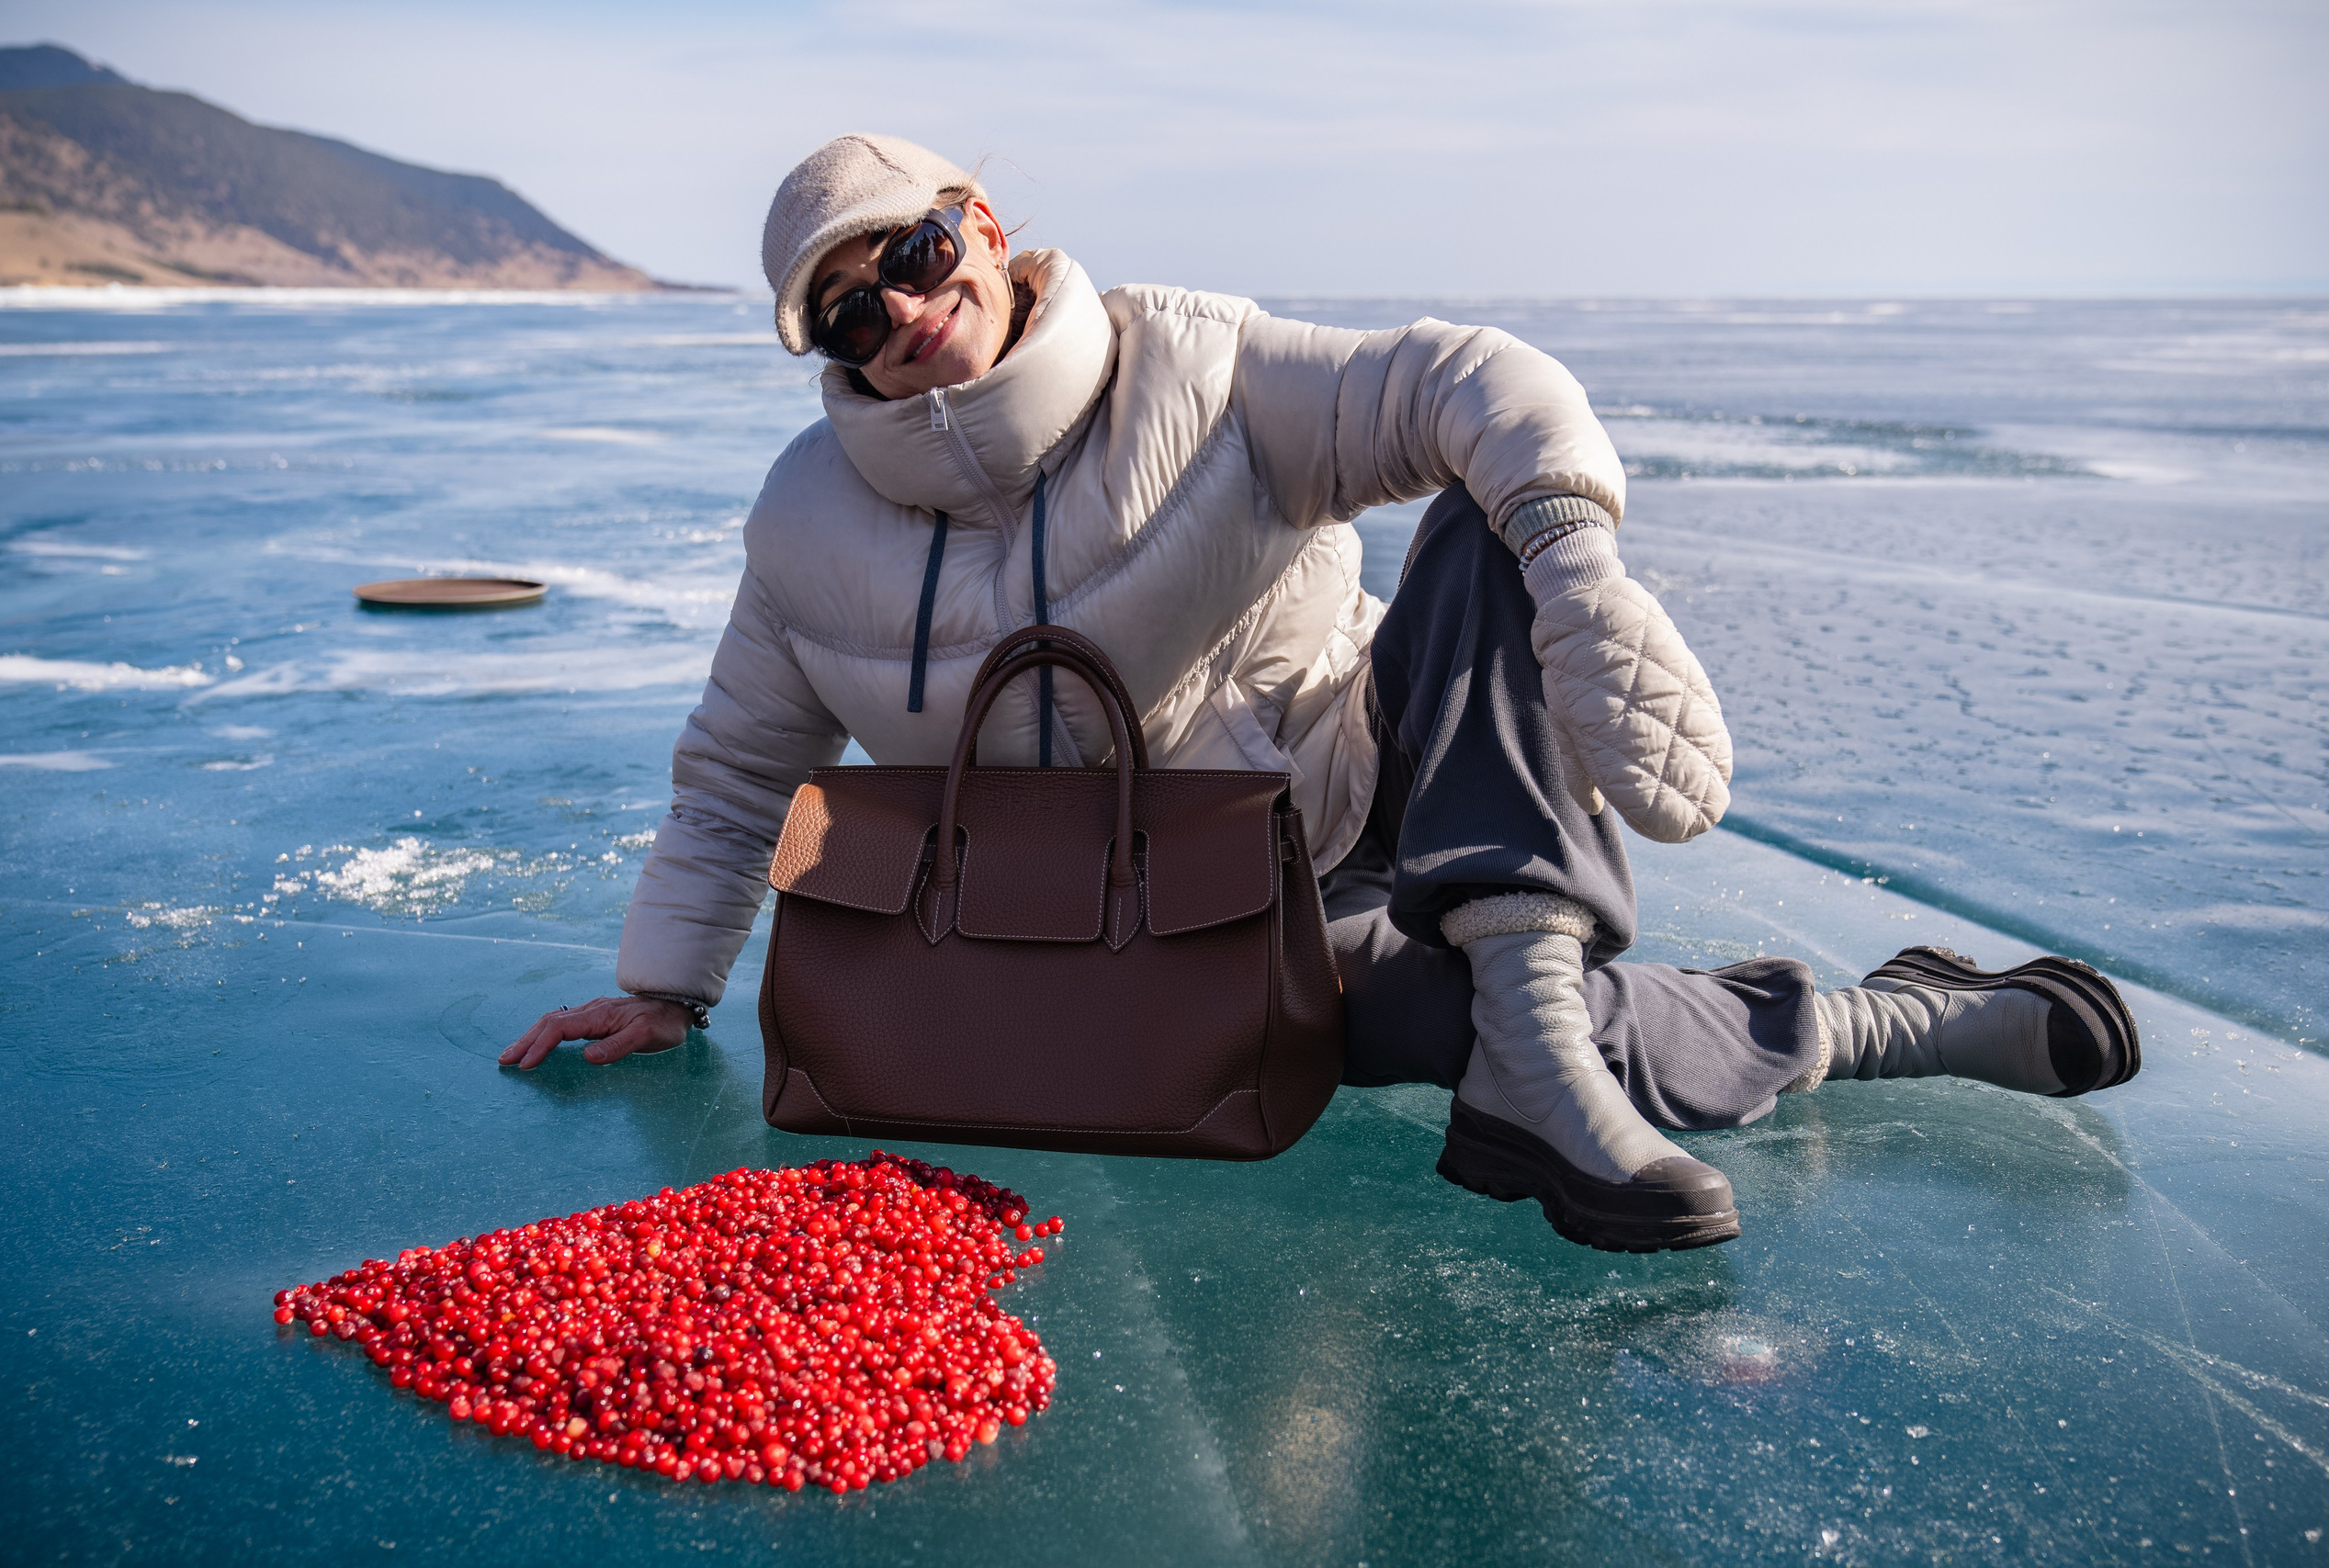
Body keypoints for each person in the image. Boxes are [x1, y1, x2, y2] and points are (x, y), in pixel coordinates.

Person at [502, 134, 2141, 1253]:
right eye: (852, 312)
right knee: (1468, 1024)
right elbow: (736, 773)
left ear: (982, 227)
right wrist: (668, 985)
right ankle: (1868, 1018)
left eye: (919, 256)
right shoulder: (806, 519)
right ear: (833, 353)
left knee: (1484, 515)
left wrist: (1579, 564)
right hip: (1142, 947)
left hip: (1352, 800)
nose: (906, 314)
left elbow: (1466, 379)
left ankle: (1564, 1035)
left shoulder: (1204, 371)